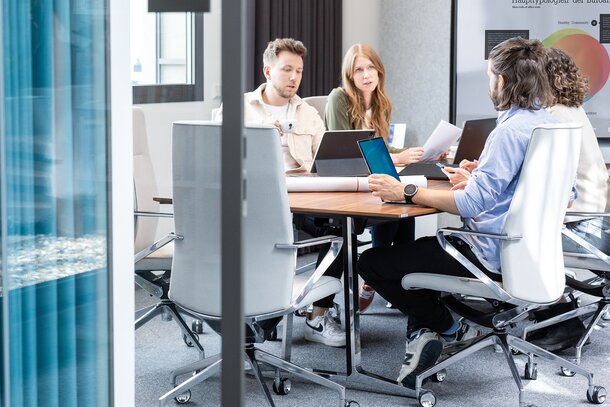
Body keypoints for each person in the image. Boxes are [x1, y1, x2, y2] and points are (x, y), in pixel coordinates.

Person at [357, 37, 559, 388]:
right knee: (422, 252)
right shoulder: (549, 125)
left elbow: (469, 205)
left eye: (488, 77)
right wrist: (478, 178)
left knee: (372, 263)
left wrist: (405, 189)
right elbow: (553, 195)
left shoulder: (509, 131)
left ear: (502, 81)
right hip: (529, 253)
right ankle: (424, 336)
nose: (488, 85)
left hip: (487, 254)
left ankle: (451, 328)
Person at [216, 38, 346, 347]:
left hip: (302, 199)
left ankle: (317, 316)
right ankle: (258, 323)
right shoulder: (238, 109)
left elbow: (326, 157)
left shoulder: (307, 113)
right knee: (268, 232)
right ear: (267, 70)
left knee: (342, 226)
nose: (293, 78)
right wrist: (260, 139)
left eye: (298, 71)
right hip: (255, 200)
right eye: (287, 69)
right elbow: (218, 159)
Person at [325, 44, 424, 312]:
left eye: (370, 68)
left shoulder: (381, 102)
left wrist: (413, 153)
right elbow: (344, 153)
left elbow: (381, 148)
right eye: (359, 69)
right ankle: (376, 277)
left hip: (373, 180)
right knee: (393, 197)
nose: (366, 75)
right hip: (347, 183)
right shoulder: (339, 98)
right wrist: (396, 159)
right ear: (350, 74)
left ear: (379, 71)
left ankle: (399, 283)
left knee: (406, 201)